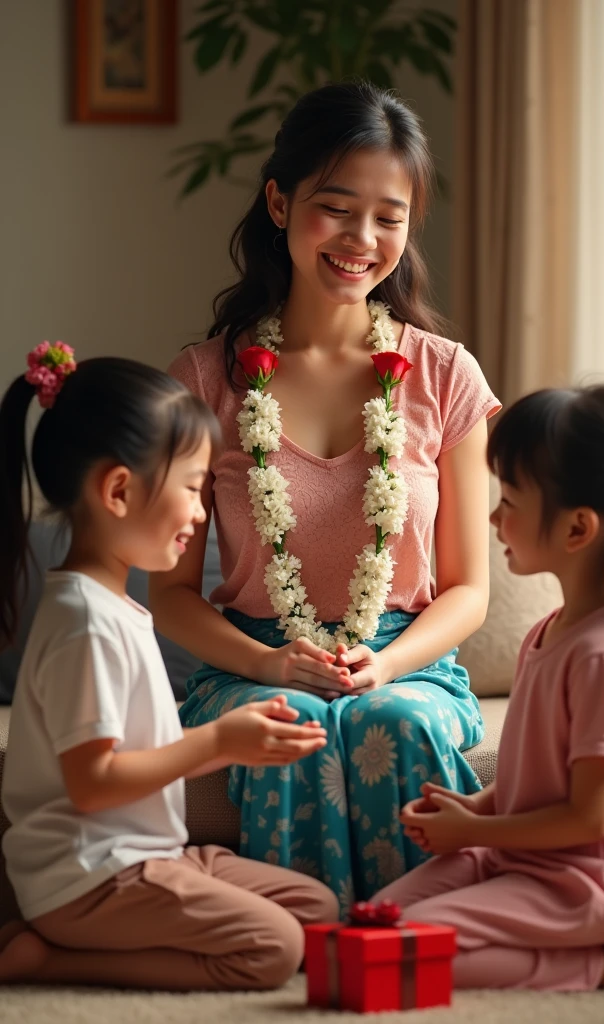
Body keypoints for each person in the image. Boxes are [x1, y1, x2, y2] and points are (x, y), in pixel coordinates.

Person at [150, 80, 501, 908]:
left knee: (397, 723)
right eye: (337, 207)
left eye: (390, 215)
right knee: (287, 722)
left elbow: (470, 591)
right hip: (253, 659)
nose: (362, 239)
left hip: (406, 659)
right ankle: (303, 948)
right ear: (279, 201)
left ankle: (412, 942)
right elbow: (169, 592)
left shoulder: (446, 376)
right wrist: (271, 661)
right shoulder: (204, 380)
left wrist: (385, 664)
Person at [0, 344, 337, 990]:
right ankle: (46, 959)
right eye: (191, 488)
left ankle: (121, 914)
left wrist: (239, 737)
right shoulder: (84, 625)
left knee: (315, 909)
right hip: (90, 878)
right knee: (272, 950)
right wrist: (216, 739)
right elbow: (94, 784)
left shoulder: (112, 606)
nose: (202, 512)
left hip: (141, 856)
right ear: (120, 491)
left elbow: (138, 755)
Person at [374, 385, 604, 990]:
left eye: (509, 500)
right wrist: (473, 810)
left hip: (590, 881)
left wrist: (474, 834)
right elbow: (537, 785)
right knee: (379, 925)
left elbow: (589, 820)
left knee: (404, 957)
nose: (494, 519)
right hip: (527, 859)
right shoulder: (549, 632)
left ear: (577, 529)